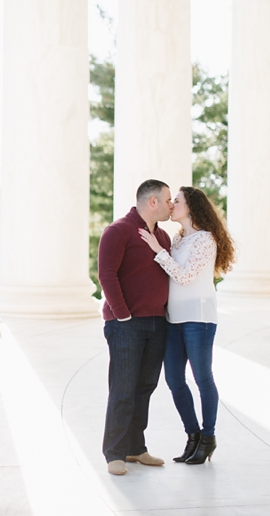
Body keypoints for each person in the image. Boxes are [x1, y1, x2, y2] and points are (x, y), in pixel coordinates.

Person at [138, 186, 235, 465]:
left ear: (190, 207)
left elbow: (183, 276)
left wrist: (157, 249)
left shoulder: (205, 240)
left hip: (199, 319)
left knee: (203, 379)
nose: (171, 205)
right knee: (174, 380)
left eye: (176, 201)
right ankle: (192, 435)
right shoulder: (177, 240)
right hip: (173, 319)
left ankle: (208, 437)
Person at [98, 179, 174, 476]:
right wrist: (122, 315)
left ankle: (135, 448)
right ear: (152, 201)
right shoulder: (118, 231)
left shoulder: (164, 237)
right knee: (123, 389)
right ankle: (114, 452)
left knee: (144, 388)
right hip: (126, 324)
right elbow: (106, 275)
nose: (171, 205)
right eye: (168, 200)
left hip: (158, 322)